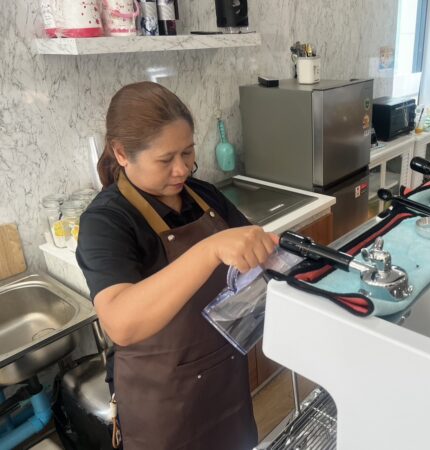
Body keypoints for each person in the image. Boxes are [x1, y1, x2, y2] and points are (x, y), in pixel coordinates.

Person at [76, 81, 278, 450]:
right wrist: (209, 249)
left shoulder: (203, 196)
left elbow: (251, 254)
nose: (182, 169)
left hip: (225, 383)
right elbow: (121, 323)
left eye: (188, 152)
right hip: (162, 405)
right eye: (165, 159)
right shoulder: (106, 222)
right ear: (121, 153)